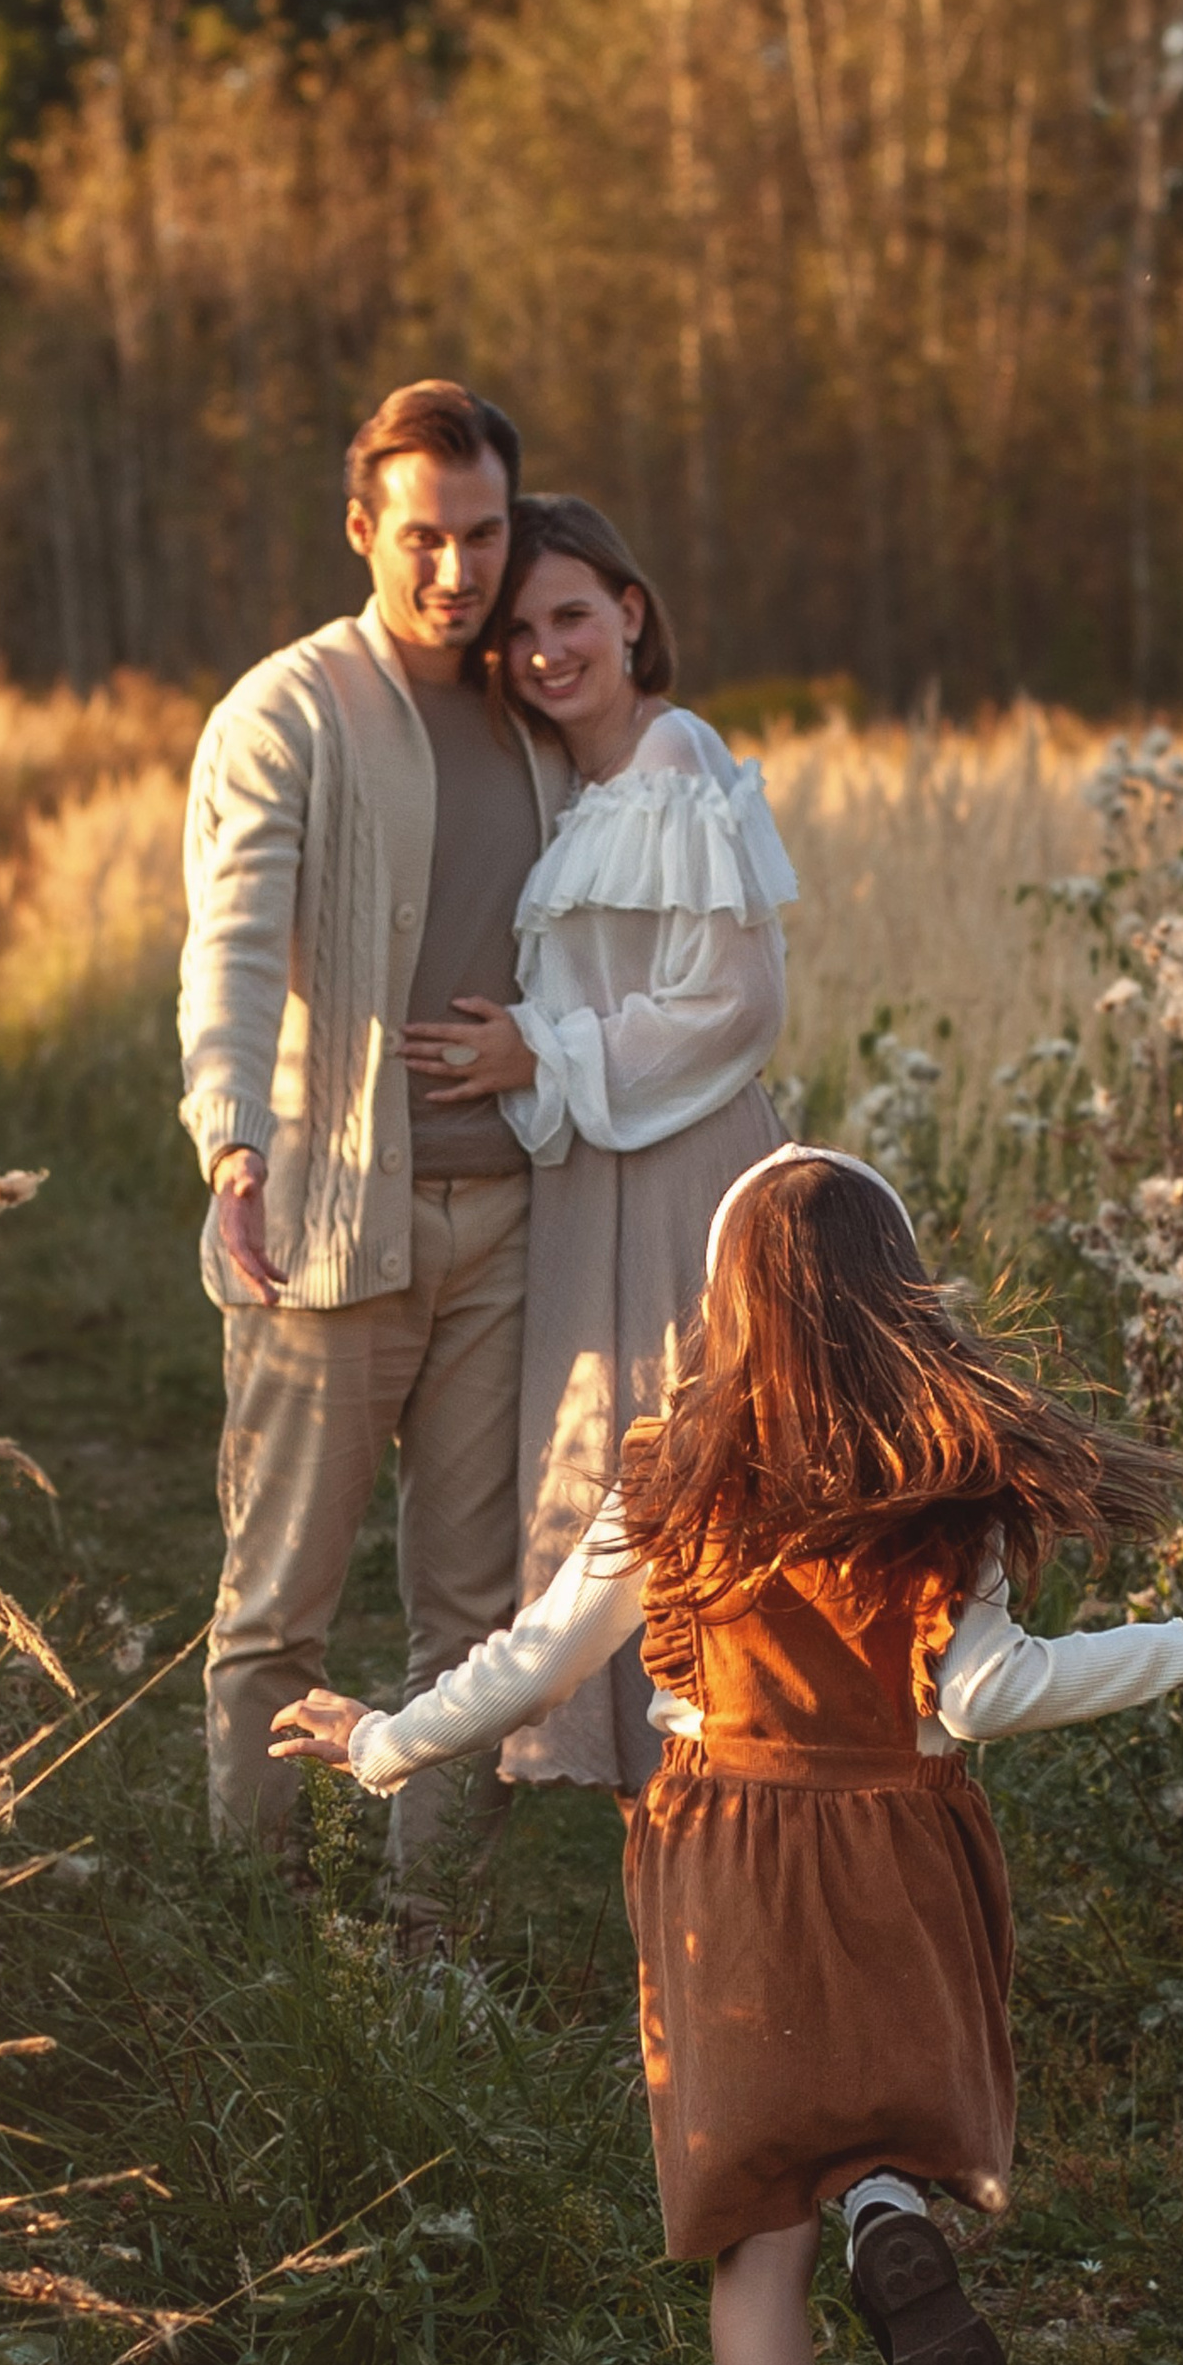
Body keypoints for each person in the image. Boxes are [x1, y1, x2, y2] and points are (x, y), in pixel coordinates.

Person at [271, 1146, 1183, 2365]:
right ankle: (882, 2198)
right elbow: (990, 1693)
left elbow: (533, 1661)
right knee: (869, 2112)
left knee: (754, 2220)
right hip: (896, 1850)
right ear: (897, 1296)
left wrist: (380, 1744)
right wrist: (1177, 1645)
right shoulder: (945, 1486)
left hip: (721, 1857)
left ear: (725, 1302)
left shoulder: (673, 1475)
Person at [177, 377, 571, 1874]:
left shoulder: (528, 711)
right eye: (423, 536)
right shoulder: (288, 711)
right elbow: (226, 942)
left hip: (507, 1225)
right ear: (361, 530)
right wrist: (230, 1136)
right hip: (327, 1216)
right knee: (280, 1603)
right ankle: (251, 1917)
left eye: (481, 535)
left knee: (472, 1612)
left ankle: (432, 1945)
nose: (456, 571)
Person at [400, 495, 795, 1791]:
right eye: (518, 630)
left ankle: (723, 1776)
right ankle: (651, 1793)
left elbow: (734, 1001)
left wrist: (539, 1051)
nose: (544, 648)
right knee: (606, 1462)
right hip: (593, 1172)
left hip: (682, 1168)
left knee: (689, 1465)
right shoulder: (578, 783)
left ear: (630, 613)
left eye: (570, 614)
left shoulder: (675, 758)